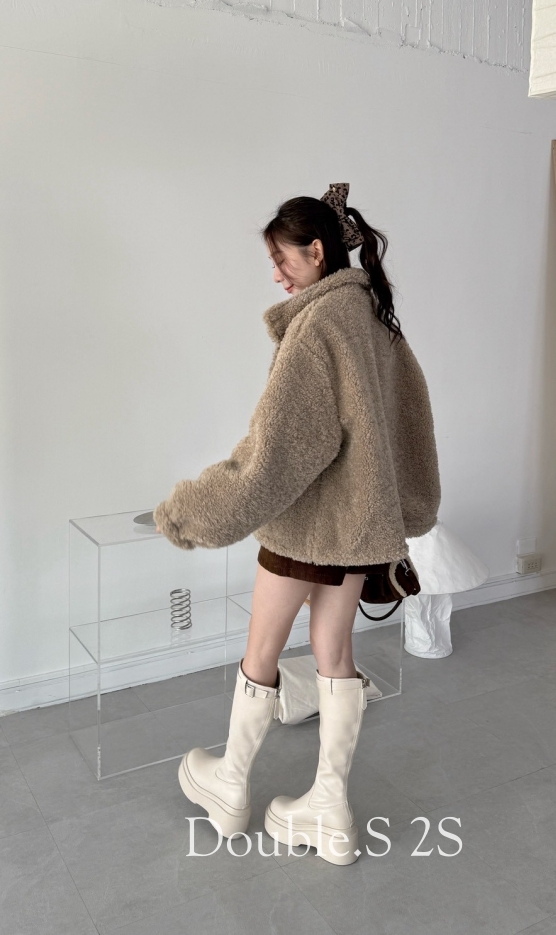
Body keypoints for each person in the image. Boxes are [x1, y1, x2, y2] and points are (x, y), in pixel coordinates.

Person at [154, 183, 441, 866]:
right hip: (357, 530)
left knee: (262, 653)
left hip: (306, 528)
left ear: (316, 251)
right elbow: (412, 424)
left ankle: (229, 787)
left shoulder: (318, 327)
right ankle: (329, 809)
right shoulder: (374, 318)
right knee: (335, 658)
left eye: (282, 259)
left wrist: (189, 512)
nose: (277, 275)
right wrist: (400, 509)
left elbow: (276, 454)